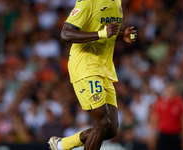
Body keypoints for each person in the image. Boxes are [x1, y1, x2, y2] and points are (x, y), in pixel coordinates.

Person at [48, 0, 137, 149]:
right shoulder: (88, 2)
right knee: (102, 123)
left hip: (104, 68)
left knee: (111, 129)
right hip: (85, 66)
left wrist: (122, 36)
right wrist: (102, 33)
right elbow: (65, 34)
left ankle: (62, 144)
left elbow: (106, 32)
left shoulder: (117, 3)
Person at [149, 82, 183, 150]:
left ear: (175, 91)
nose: (171, 93)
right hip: (163, 134)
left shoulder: (180, 103)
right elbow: (154, 120)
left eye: (173, 91)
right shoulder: (159, 103)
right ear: (166, 91)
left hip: (176, 135)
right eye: (169, 91)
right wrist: (152, 136)